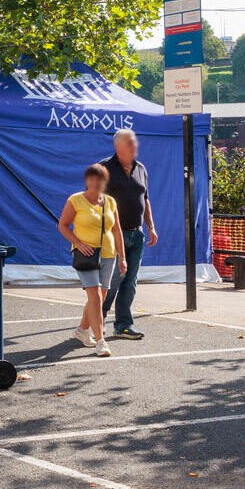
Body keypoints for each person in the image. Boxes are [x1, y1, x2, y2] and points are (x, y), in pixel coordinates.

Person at [60, 163, 127, 357]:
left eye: (99, 179)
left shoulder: (110, 202)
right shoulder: (75, 200)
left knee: (100, 297)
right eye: (92, 178)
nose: (95, 182)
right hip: (86, 254)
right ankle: (100, 341)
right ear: (86, 180)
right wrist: (78, 243)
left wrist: (122, 257)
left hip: (108, 254)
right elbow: (63, 225)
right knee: (96, 296)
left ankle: (82, 330)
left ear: (105, 182)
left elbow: (117, 230)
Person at [98, 128, 158, 341]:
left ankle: (123, 325)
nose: (135, 146)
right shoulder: (104, 168)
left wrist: (150, 226)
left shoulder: (141, 169)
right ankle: (97, 322)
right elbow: (94, 200)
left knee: (130, 281)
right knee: (112, 280)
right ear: (118, 147)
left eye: (135, 142)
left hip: (137, 234)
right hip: (114, 234)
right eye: (130, 143)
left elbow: (145, 199)